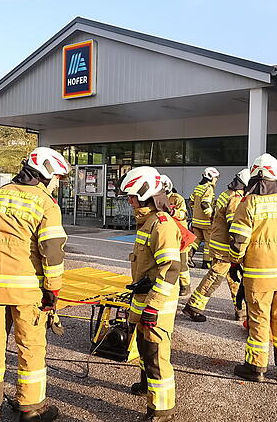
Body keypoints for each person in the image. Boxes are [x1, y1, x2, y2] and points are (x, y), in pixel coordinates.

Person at [0, 147, 70, 422]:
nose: (57, 184)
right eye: (57, 178)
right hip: (27, 292)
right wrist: (53, 289)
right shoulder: (46, 204)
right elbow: (52, 251)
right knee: (31, 348)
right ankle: (31, 409)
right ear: (46, 174)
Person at [229, 153, 277, 382]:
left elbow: (238, 241)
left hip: (258, 275)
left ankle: (256, 368)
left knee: (259, 320)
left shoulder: (248, 203)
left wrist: (236, 261)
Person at [121, 166, 184, 421]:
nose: (129, 201)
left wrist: (153, 306)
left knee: (157, 356)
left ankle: (161, 410)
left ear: (145, 195)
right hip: (144, 299)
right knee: (144, 348)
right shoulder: (147, 222)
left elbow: (170, 270)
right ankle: (146, 385)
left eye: (132, 196)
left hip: (157, 303)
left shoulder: (162, 225)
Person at [183, 168, 251, 323]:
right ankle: (193, 307)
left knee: (235, 277)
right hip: (224, 247)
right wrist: (239, 248)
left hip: (219, 241)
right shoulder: (235, 198)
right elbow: (233, 226)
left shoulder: (226, 193)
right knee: (214, 277)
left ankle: (240, 310)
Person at [161, 175, 191, 296]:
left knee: (182, 264)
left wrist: (172, 212)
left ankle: (185, 286)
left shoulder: (177, 198)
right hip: (168, 235)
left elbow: (183, 214)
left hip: (180, 235)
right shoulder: (157, 198)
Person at [188, 167, 219, 269]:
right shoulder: (208, 188)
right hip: (206, 223)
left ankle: (188, 257)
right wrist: (211, 216)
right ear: (211, 177)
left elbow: (191, 202)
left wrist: (196, 212)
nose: (216, 180)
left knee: (196, 240)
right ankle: (206, 263)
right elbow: (205, 204)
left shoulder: (198, 187)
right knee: (208, 243)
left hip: (196, 221)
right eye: (216, 178)